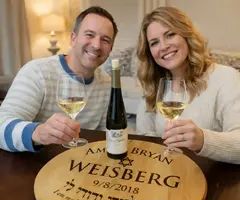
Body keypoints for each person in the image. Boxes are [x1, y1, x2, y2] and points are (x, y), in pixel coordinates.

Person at [0, 6, 118, 152]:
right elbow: (1, 126)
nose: (96, 45)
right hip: (34, 165)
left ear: (111, 48)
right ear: (73, 39)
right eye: (89, 35)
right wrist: (38, 132)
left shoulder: (106, 82)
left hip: (78, 163)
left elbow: (102, 134)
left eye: (105, 40)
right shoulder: (37, 72)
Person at [136, 6, 240, 164]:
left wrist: (202, 140)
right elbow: (145, 137)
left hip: (215, 179)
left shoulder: (226, 78)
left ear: (186, 35)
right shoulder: (155, 86)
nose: (163, 46)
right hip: (168, 176)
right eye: (154, 43)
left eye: (170, 35)